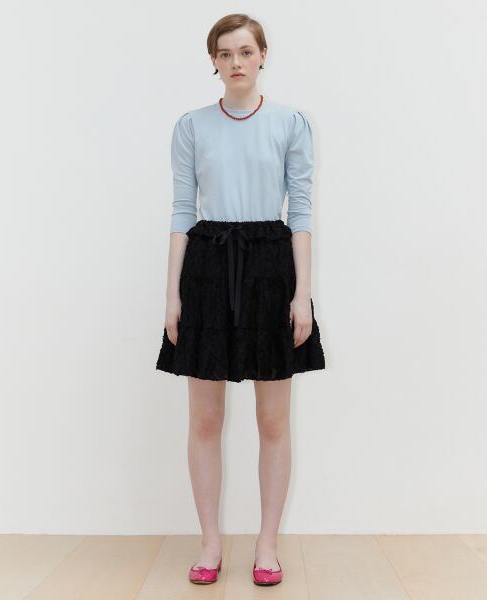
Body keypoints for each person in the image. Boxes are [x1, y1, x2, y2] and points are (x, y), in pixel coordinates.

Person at [156, 13, 326, 586]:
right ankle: (210, 543)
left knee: (273, 419)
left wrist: (303, 294)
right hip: (207, 265)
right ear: (214, 61)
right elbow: (183, 210)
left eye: (246, 52)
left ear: (262, 56)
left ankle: (267, 544)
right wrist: (172, 294)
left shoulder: (291, 123)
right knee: (205, 419)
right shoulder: (191, 126)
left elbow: (300, 211)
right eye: (225, 53)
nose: (236, 62)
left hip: (271, 266)